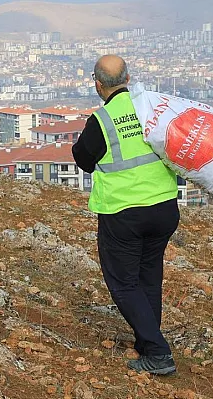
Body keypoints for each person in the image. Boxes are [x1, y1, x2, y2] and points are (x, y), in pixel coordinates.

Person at [72, 55, 180, 375]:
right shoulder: (152, 111)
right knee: (149, 277)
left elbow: (82, 159)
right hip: (164, 209)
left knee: (123, 283)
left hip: (124, 214)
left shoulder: (102, 121)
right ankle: (147, 345)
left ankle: (158, 352)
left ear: (97, 84)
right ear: (128, 78)